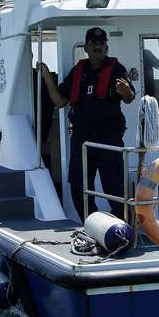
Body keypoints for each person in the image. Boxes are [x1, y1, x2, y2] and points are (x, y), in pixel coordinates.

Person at [38, 27, 136, 221]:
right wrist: (47, 76)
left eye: (101, 43)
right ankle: (91, 226)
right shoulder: (78, 72)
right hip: (82, 138)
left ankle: (123, 226)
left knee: (113, 186)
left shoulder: (116, 69)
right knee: (78, 185)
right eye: (93, 43)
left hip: (108, 138)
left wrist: (125, 90)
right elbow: (59, 102)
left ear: (106, 46)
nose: (97, 47)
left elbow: (129, 98)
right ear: (86, 47)